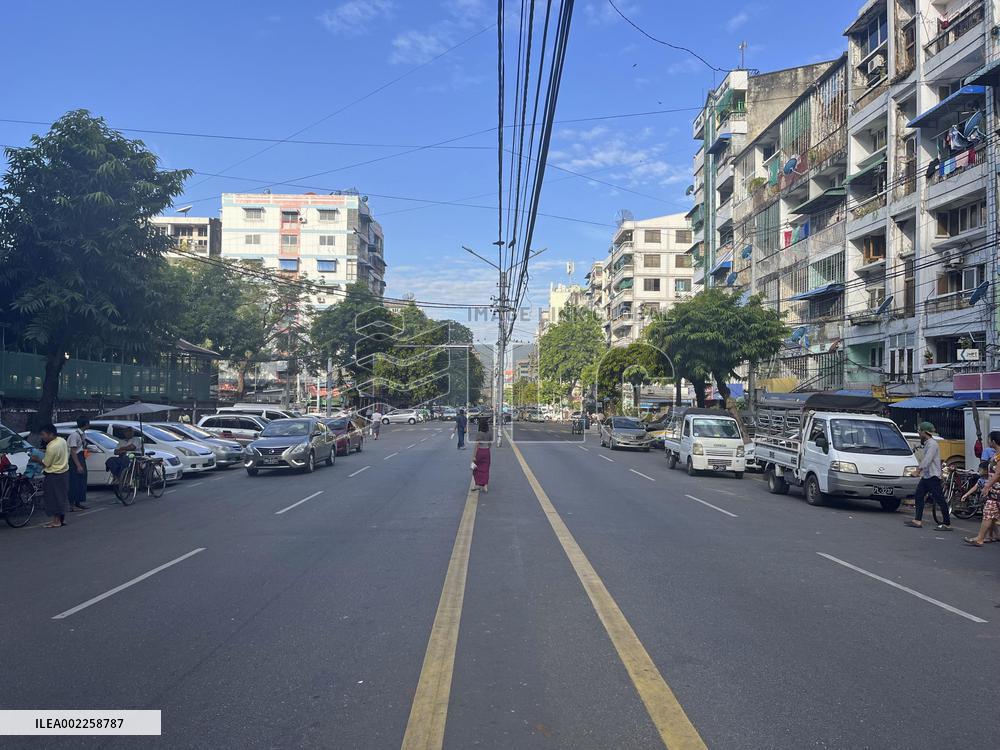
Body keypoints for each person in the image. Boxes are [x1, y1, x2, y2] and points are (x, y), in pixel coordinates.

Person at [905, 421, 952, 530]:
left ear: (924, 432)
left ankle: (947, 523)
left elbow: (927, 460)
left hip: (933, 476)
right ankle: (917, 520)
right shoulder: (927, 443)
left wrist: (917, 471)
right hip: (927, 476)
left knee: (939, 499)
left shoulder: (932, 444)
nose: (919, 434)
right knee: (919, 496)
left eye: (920, 432)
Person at [30, 424, 70, 528]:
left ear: (51, 434)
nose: (42, 437)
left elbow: (46, 463)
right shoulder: (62, 440)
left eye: (43, 434)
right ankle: (62, 519)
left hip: (54, 474)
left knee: (53, 497)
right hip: (64, 472)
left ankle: (56, 521)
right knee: (61, 496)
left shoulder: (51, 446)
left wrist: (36, 459)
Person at [66, 415, 90, 511]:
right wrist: (78, 465)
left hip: (81, 456)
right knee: (74, 482)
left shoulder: (83, 434)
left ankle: (78, 502)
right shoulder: (74, 435)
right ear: (86, 424)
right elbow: (73, 451)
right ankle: (71, 504)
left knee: (81, 481)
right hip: (75, 459)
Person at [471, 417, 493, 492]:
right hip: (487, 451)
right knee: (486, 469)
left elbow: (476, 445)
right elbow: (490, 443)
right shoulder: (489, 433)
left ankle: (478, 484)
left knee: (476, 468)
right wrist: (488, 450)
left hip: (480, 451)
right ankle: (485, 486)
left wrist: (474, 456)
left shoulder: (479, 434)